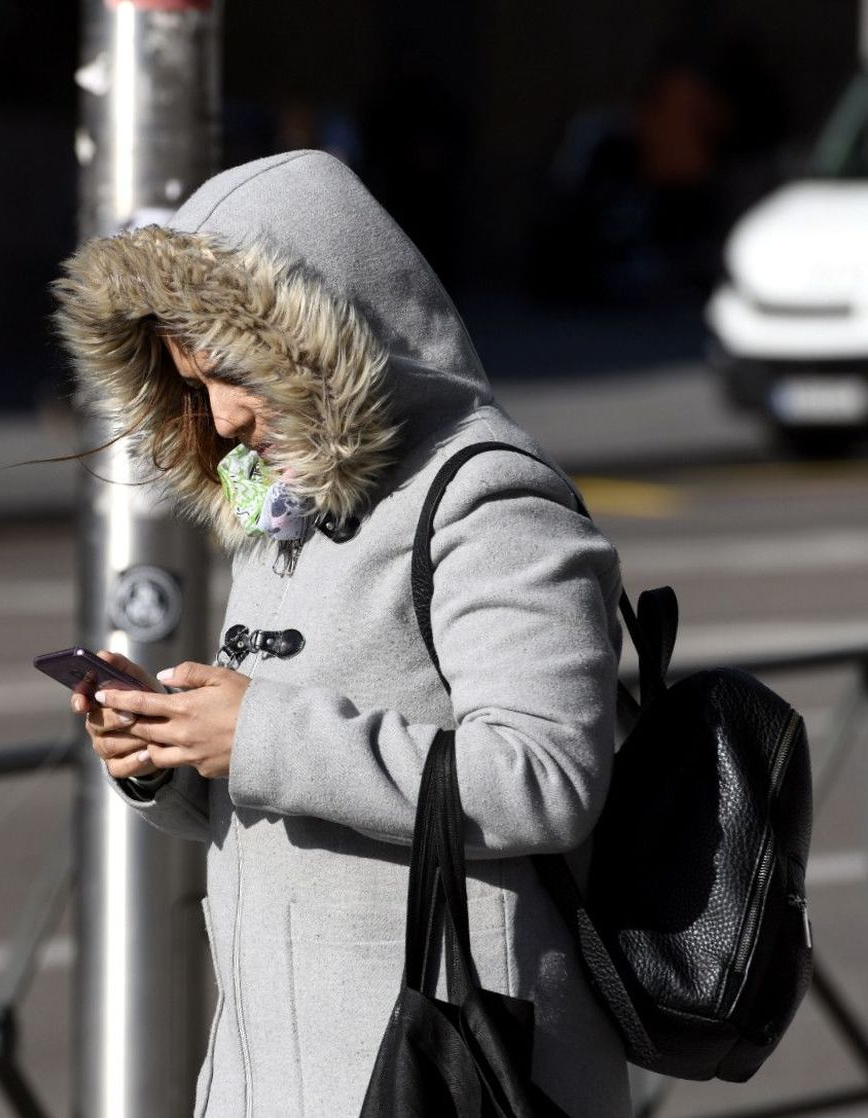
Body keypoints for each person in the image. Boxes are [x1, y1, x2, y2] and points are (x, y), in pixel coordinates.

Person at [52, 151, 629, 1117]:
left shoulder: (487, 497)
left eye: (238, 374)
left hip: (454, 1070)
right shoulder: (290, 510)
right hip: (275, 1071)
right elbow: (293, 792)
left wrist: (259, 732)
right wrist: (166, 755)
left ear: (329, 331)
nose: (224, 417)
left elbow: (548, 777)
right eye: (196, 385)